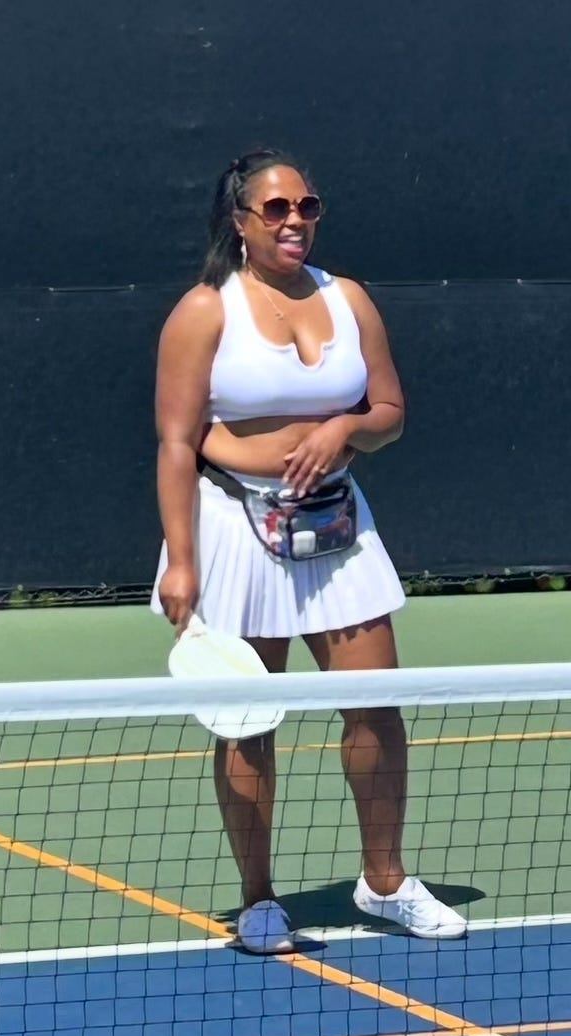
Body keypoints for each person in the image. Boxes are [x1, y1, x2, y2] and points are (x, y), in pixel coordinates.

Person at [152, 149, 466, 953]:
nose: (295, 220)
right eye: (277, 208)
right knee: (249, 724)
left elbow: (389, 411)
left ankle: (385, 881)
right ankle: (259, 901)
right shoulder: (204, 310)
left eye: (308, 206)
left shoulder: (348, 298)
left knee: (376, 709)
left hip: (338, 529)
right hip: (234, 528)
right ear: (241, 220)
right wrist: (182, 562)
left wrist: (345, 428)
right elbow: (177, 443)